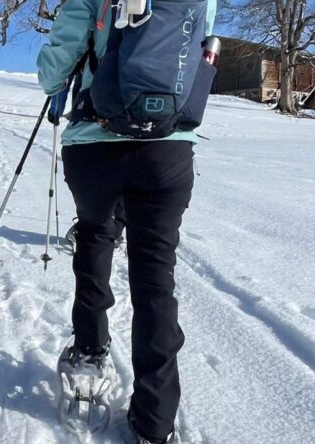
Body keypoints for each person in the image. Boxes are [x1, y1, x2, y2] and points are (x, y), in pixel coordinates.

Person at [38, 0, 216, 442]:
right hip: (169, 148)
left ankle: (90, 350)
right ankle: (154, 421)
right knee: (156, 276)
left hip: (95, 145)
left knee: (96, 238)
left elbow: (52, 72)